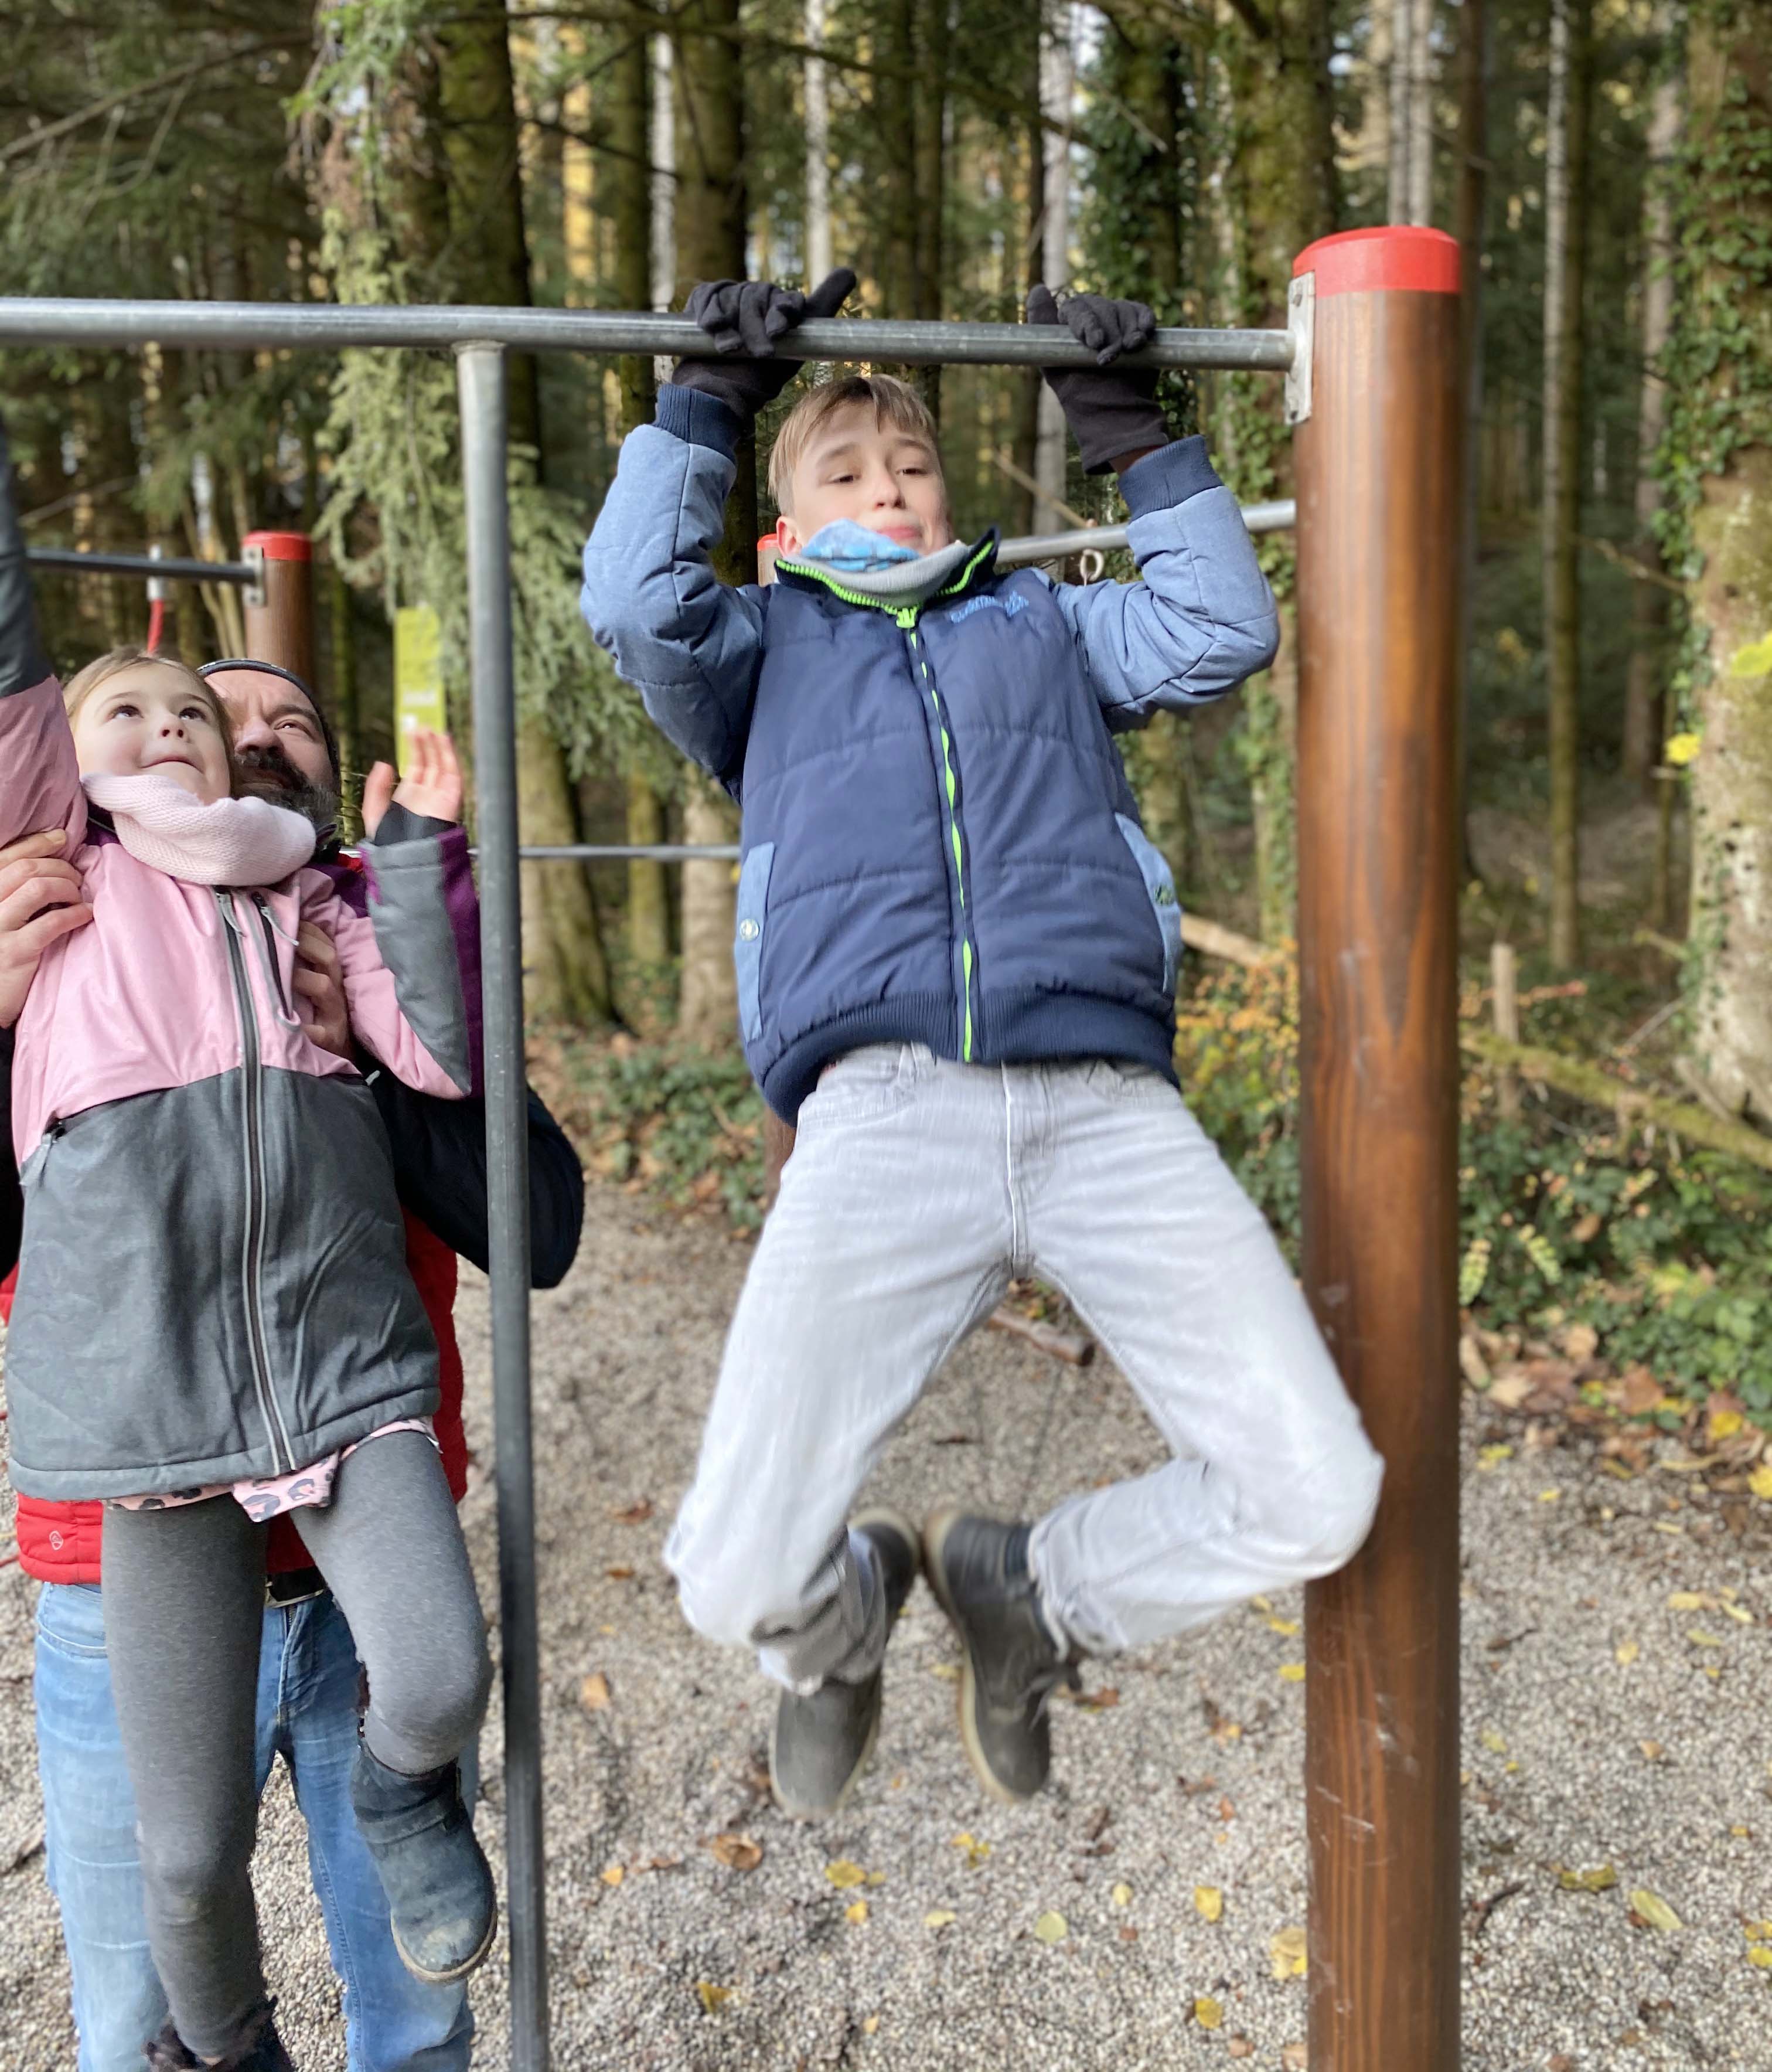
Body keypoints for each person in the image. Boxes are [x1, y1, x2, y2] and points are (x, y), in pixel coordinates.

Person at [580, 272, 1385, 1821]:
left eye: (911, 464)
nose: (887, 486)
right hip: (883, 1115)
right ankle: (844, 1630)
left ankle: (1037, 1594)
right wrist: (701, 411)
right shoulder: (758, 649)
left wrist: (1134, 435)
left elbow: (1222, 627)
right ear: (784, 531)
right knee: (732, 1574)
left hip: (1104, 1107)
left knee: (1319, 1490)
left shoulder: (1046, 622)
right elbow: (631, 604)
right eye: (844, 472)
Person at [0, 651, 584, 2072]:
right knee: (145, 1987)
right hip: (131, 1517)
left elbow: (542, 1218)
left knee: (418, 2015)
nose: (238, 733)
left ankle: (401, 1798)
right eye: (197, 705)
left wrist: (356, 1052)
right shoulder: (62, 910)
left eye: (289, 722)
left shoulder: (343, 921)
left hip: (351, 1489)